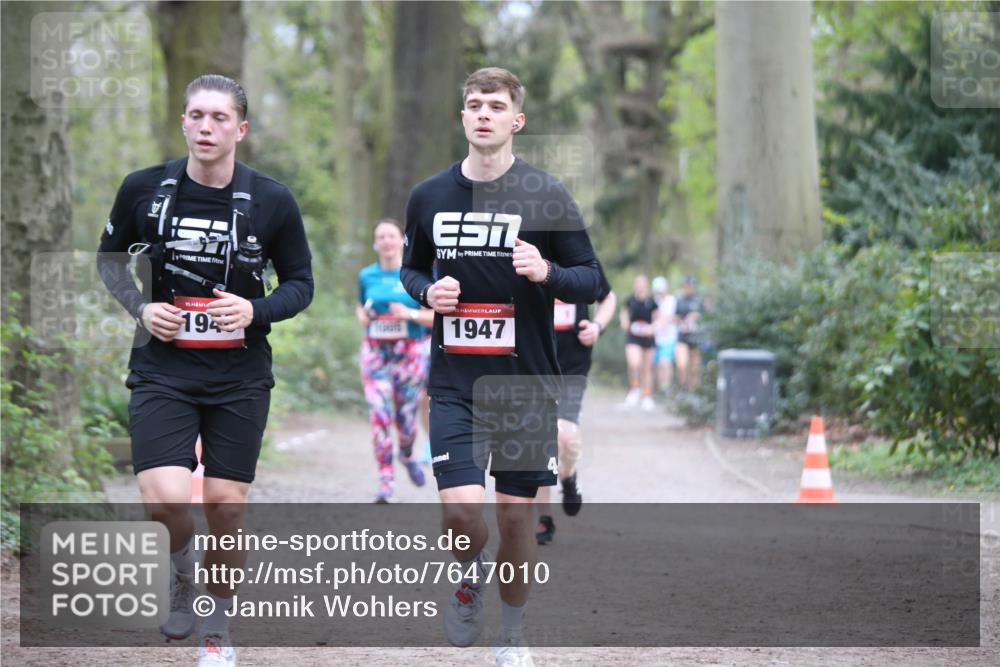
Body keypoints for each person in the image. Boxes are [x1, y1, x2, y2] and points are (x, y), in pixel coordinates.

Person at [97, 74, 313, 667]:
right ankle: (180, 570)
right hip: (162, 366)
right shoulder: (143, 190)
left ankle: (217, 626)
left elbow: (301, 285)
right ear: (184, 123)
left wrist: (254, 309)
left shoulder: (272, 200)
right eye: (196, 116)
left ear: (240, 129)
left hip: (239, 374)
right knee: (165, 499)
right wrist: (142, 307)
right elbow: (110, 262)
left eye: (219, 118)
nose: (206, 127)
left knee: (225, 505)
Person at [400, 67, 603, 667]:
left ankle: (511, 634)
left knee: (516, 523)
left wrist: (548, 273)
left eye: (495, 105)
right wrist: (425, 292)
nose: (483, 113)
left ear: (516, 120)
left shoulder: (547, 195)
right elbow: (412, 268)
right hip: (456, 382)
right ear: (462, 117)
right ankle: (468, 581)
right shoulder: (429, 196)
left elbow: (592, 278)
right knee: (463, 514)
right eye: (473, 104)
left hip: (526, 387)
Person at [356, 218, 434, 503]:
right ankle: (386, 480)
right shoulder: (366, 276)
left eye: (391, 236)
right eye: (381, 237)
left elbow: (436, 316)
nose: (386, 241)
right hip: (376, 351)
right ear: (376, 243)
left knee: (404, 420)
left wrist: (409, 314)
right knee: (379, 412)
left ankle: (406, 453)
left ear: (401, 241)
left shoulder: (415, 276)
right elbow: (360, 306)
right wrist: (363, 317)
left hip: (410, 352)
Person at [534, 284, 616, 546]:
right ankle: (544, 517)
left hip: (572, 365)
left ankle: (568, 478)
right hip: (535, 364)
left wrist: (597, 327)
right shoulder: (522, 255)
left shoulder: (576, 251)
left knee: (565, 436)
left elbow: (608, 297)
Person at [619, 274, 658, 411]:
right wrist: (627, 324)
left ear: (646, 285)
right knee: (634, 363)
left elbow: (659, 319)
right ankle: (634, 389)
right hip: (633, 337)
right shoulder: (630, 301)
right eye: (638, 283)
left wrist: (652, 328)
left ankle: (647, 396)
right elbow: (624, 317)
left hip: (648, 338)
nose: (640, 286)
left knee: (647, 368)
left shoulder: (652, 302)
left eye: (643, 283)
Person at [675, 275, 704, 392]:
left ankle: (694, 392)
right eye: (687, 286)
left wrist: (697, 317)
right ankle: (683, 389)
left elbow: (705, 318)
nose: (689, 288)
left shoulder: (699, 300)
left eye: (691, 286)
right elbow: (674, 317)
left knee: (695, 367)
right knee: (682, 365)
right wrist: (683, 321)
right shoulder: (679, 300)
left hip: (696, 337)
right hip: (682, 336)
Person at [651, 276, 677, 396]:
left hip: (669, 337)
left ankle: (666, 387)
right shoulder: (653, 301)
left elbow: (668, 318)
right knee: (656, 365)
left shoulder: (671, 300)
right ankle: (658, 389)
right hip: (655, 337)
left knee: (665, 363)